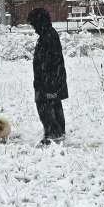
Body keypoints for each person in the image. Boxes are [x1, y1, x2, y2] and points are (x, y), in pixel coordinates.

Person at [27, 8, 68, 145]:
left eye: (33, 24)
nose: (33, 28)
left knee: (46, 106)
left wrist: (43, 78)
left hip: (49, 81)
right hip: (51, 80)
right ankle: (57, 132)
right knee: (53, 104)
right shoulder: (48, 34)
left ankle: (53, 134)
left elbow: (50, 60)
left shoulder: (48, 37)